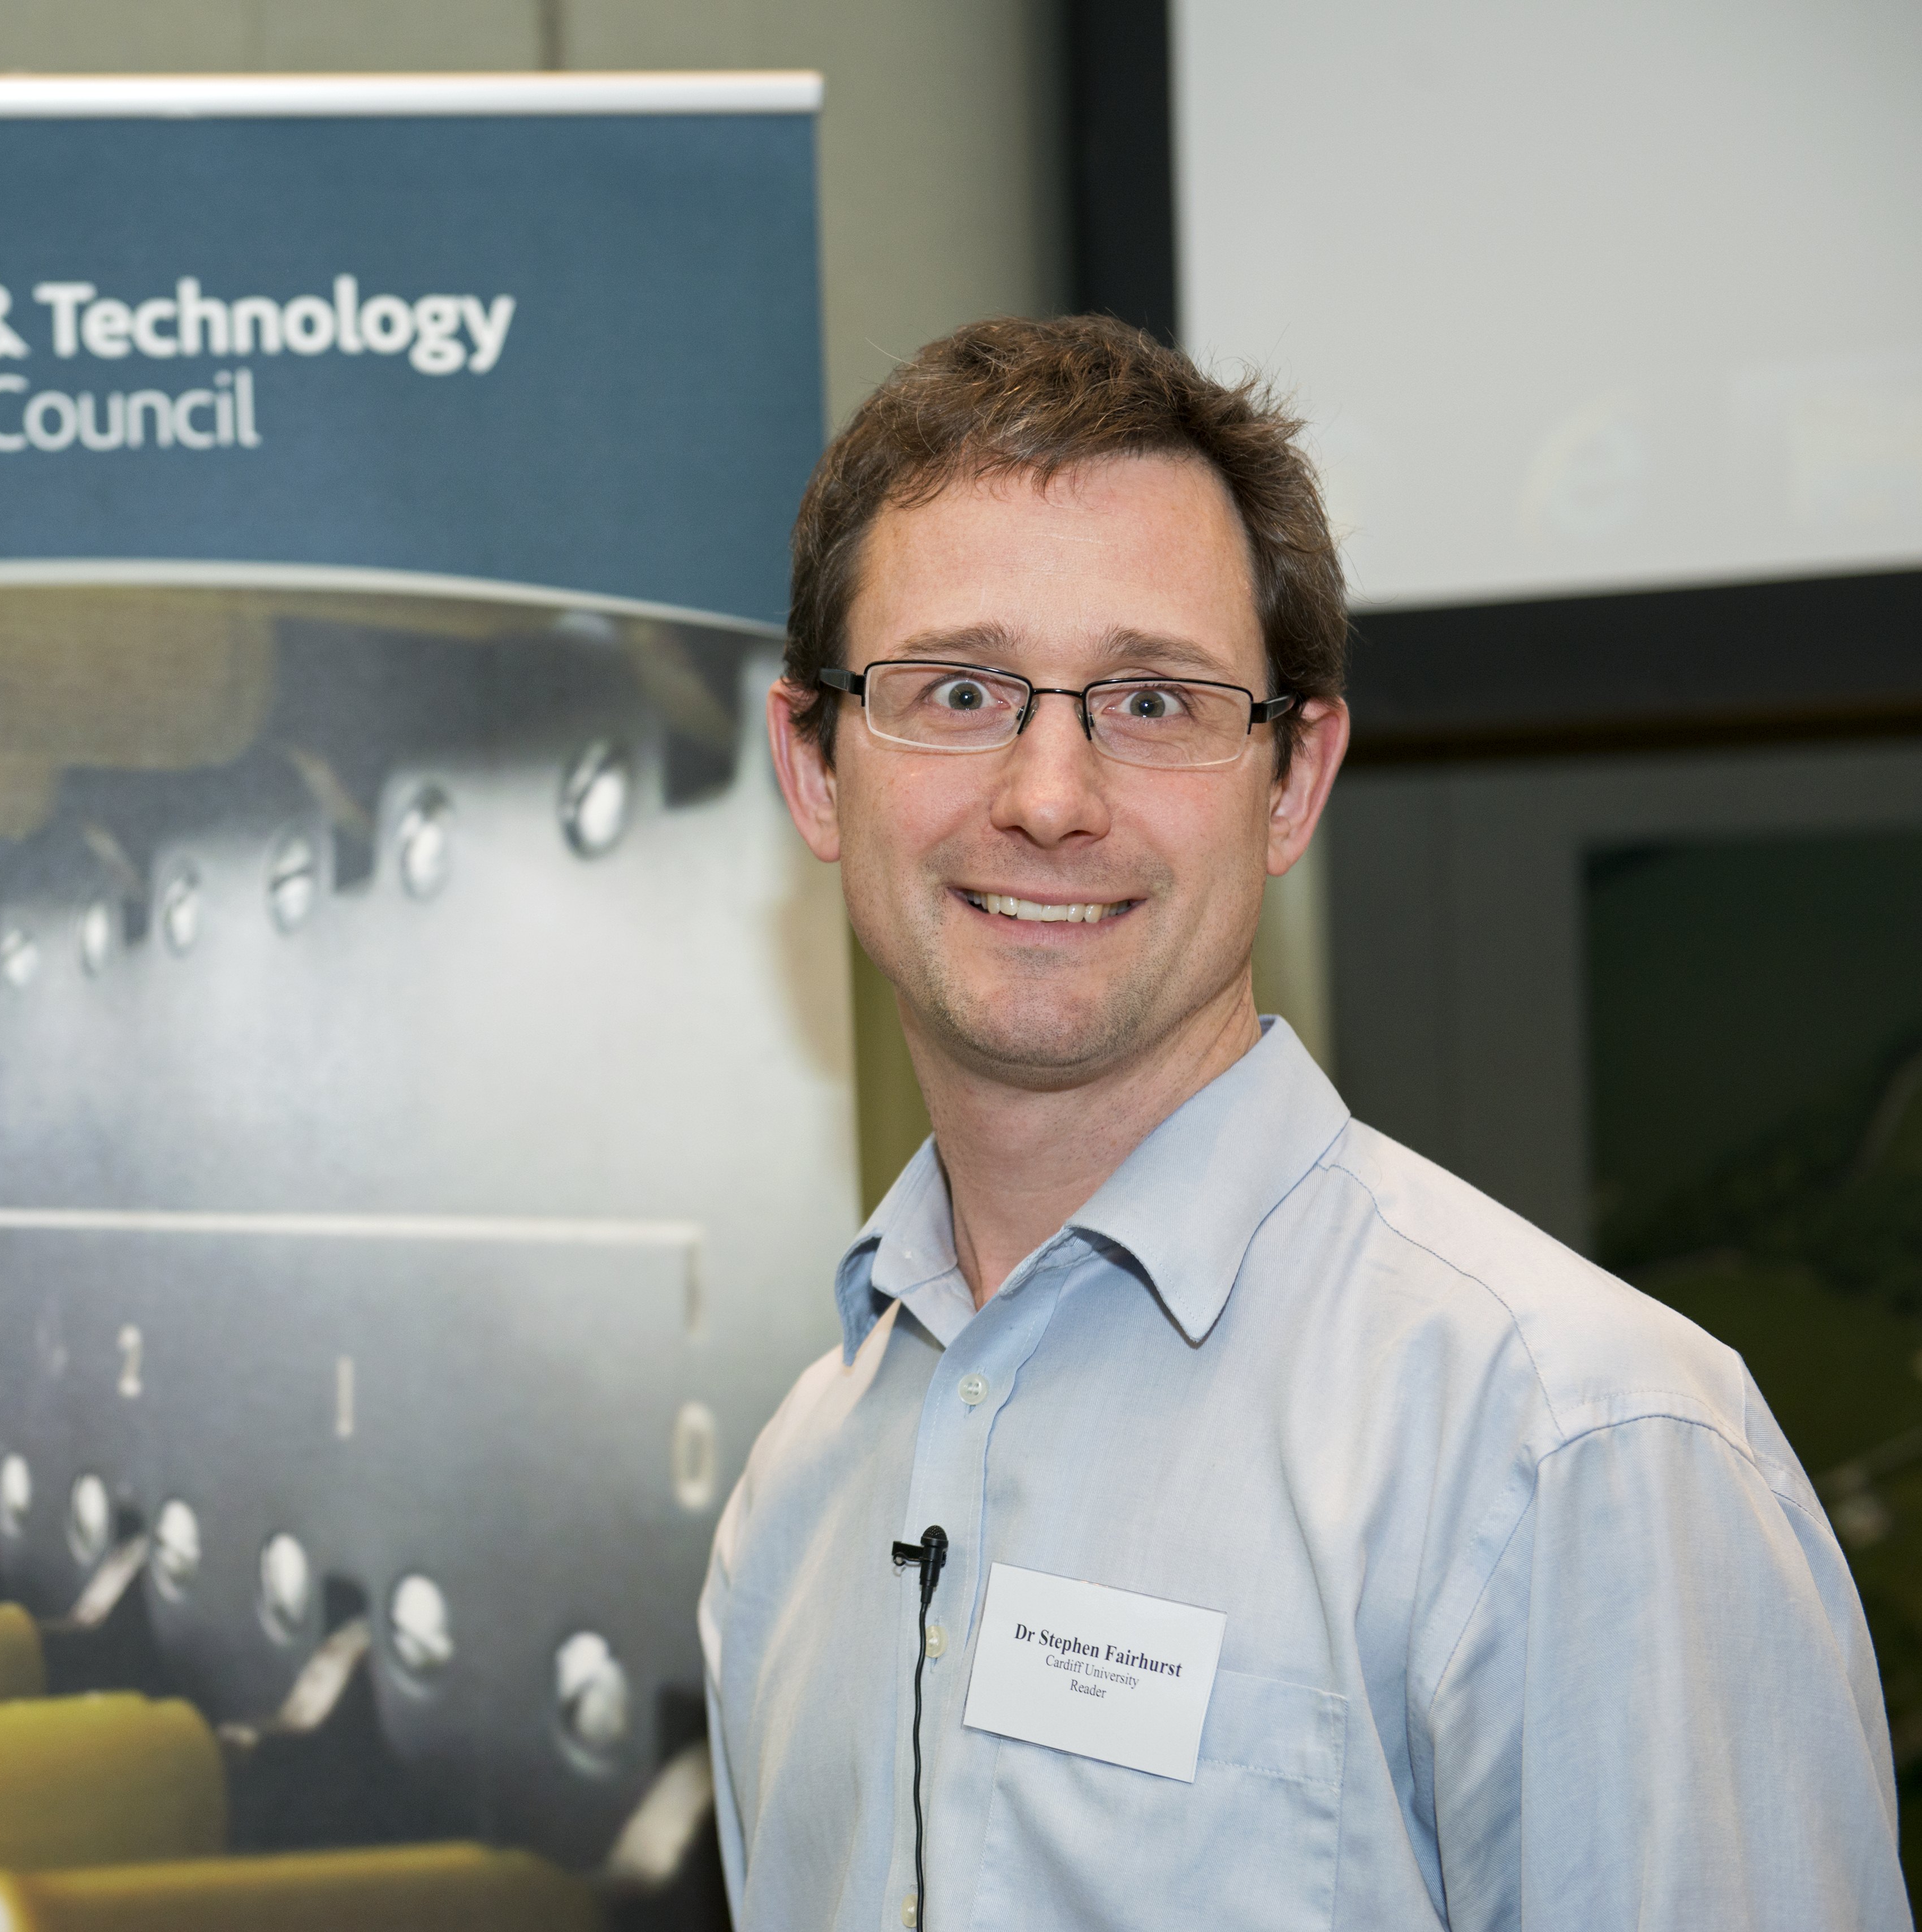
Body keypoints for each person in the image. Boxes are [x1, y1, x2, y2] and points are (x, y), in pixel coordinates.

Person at [699, 315, 1906, 1931]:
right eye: (961, 690)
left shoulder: (1577, 1449)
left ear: (1292, 781)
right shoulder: (795, 1499)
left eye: (1152, 700)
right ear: (814, 766)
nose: (1048, 797)